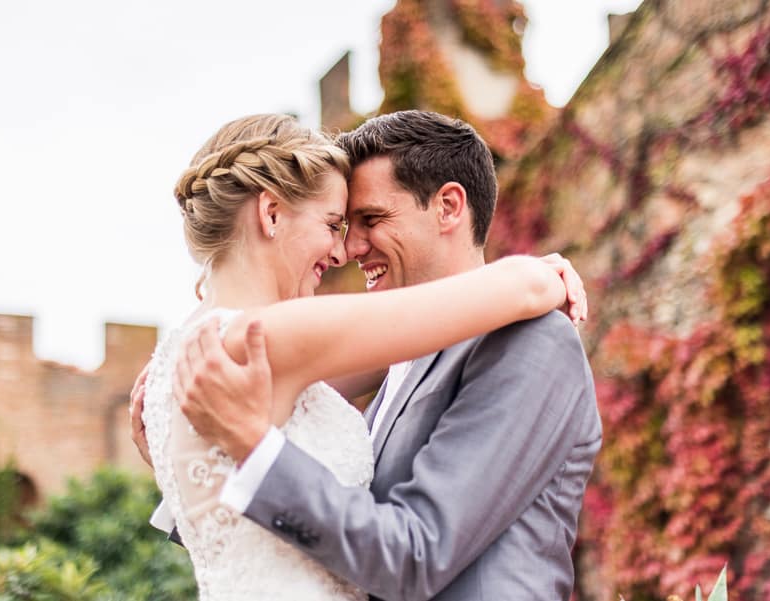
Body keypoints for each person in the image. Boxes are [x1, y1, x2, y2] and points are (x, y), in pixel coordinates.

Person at [133, 112, 593, 601]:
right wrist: (540, 276)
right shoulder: (271, 342)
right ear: (270, 215)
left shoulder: (531, 340)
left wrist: (241, 455)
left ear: (449, 207)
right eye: (337, 224)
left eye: (369, 220)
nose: (346, 249)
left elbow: (415, 552)